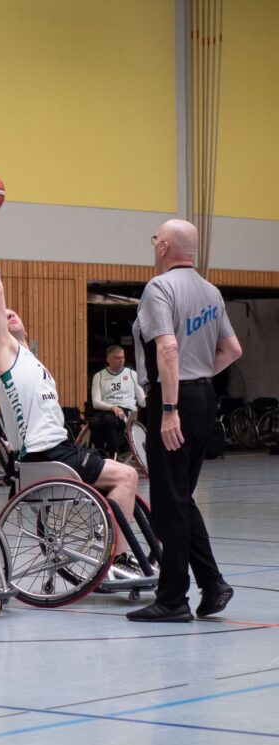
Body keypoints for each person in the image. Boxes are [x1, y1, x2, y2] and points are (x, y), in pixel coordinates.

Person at [0, 205, 141, 572]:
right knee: (127, 475)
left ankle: (109, 539)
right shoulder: (4, 357)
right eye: (5, 315)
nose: (9, 315)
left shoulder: (33, 361)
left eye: (15, 314)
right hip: (46, 458)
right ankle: (119, 557)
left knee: (119, 479)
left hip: (60, 450)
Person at [126, 220, 242, 622]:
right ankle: (212, 584)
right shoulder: (211, 292)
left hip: (173, 400)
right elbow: (233, 348)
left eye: (156, 238)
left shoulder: (159, 288)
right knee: (179, 499)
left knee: (169, 502)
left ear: (165, 247)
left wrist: (171, 408)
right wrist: (199, 378)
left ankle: (173, 599)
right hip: (204, 397)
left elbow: (168, 349)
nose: (154, 244)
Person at [88, 346, 146, 456]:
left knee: (109, 420)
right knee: (94, 422)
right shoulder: (99, 376)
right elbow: (95, 403)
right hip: (107, 408)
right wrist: (111, 407)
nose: (121, 360)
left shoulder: (131, 374)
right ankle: (101, 454)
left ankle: (113, 454)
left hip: (126, 409)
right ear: (108, 359)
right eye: (117, 358)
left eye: (123, 357)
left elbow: (142, 401)